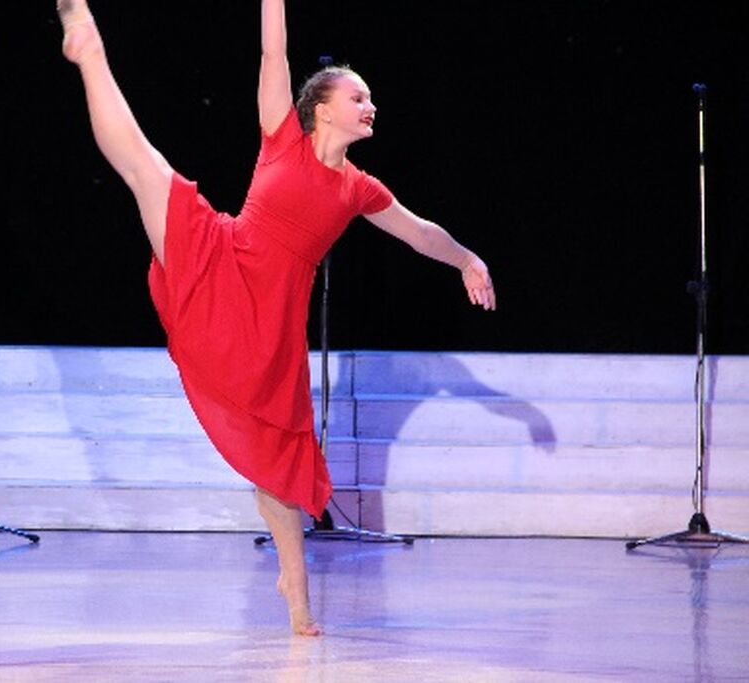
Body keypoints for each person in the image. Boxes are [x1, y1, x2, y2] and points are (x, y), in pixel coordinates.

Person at [56, 0, 496, 636]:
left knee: (278, 461)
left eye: (370, 99)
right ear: (322, 108)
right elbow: (273, 51)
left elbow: (419, 231)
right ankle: (90, 50)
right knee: (146, 170)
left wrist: (466, 260)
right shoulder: (282, 134)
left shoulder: (360, 188)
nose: (370, 106)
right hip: (222, 260)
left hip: (272, 324)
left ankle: (296, 590)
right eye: (358, 97)